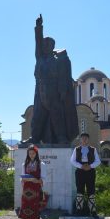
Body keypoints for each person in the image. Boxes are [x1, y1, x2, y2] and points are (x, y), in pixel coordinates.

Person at [27, 14, 78, 145]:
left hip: (53, 92)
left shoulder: (57, 61)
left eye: (47, 45)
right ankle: (35, 137)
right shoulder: (40, 58)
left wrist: (62, 91)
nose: (44, 47)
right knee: (38, 116)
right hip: (40, 91)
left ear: (51, 47)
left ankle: (61, 137)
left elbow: (63, 77)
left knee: (57, 115)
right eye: (43, 45)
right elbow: (37, 43)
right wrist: (39, 28)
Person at [18, 145, 46, 219]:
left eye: (33, 153)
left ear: (36, 153)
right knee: (28, 213)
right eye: (30, 153)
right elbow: (21, 178)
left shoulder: (41, 164)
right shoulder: (24, 164)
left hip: (37, 191)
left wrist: (35, 180)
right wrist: (23, 179)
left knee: (37, 214)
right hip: (26, 192)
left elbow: (43, 179)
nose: (31, 155)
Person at [70, 133, 101, 217]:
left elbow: (98, 161)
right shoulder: (76, 149)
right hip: (80, 171)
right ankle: (79, 210)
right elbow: (72, 161)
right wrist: (81, 166)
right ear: (80, 139)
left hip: (90, 171)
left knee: (91, 190)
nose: (84, 140)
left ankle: (93, 211)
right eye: (82, 138)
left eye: (86, 138)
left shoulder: (93, 149)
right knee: (80, 190)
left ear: (88, 139)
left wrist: (90, 166)